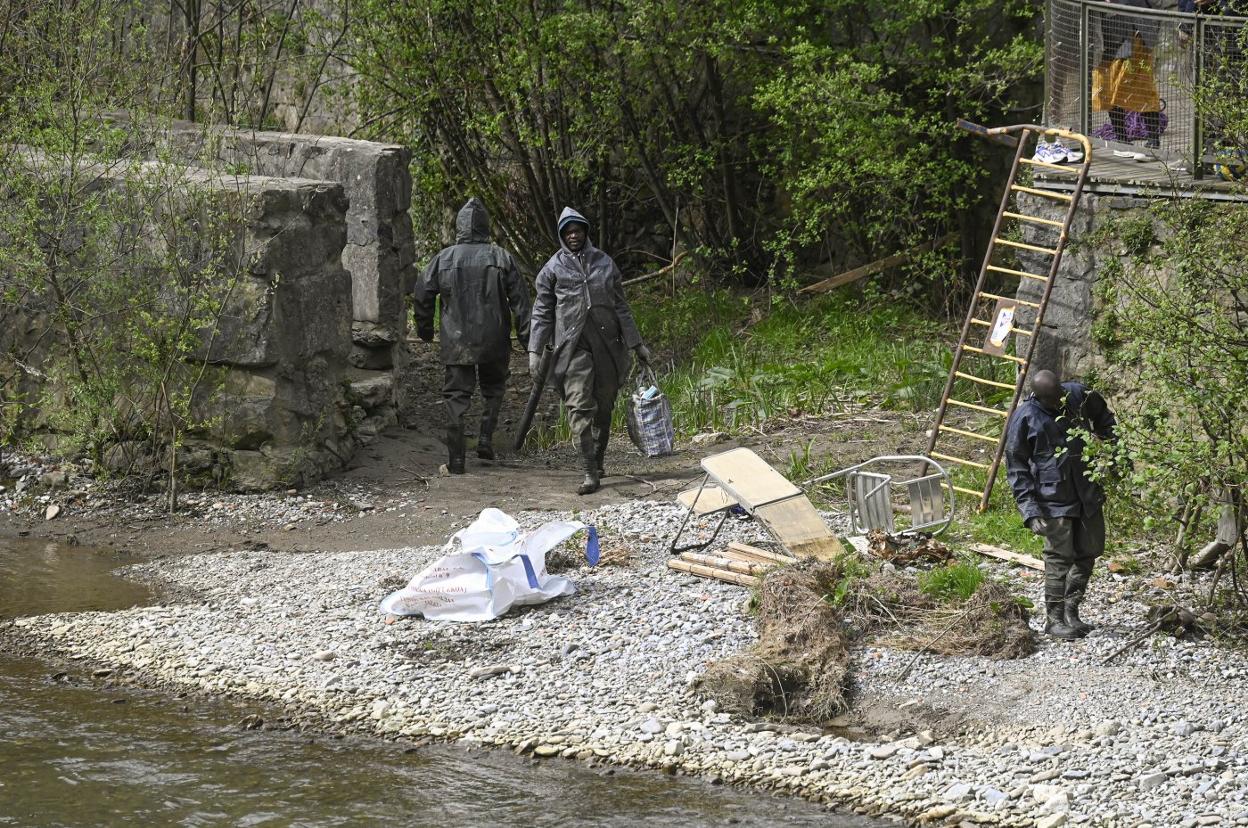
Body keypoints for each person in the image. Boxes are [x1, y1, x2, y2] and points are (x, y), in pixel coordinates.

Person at [528, 207, 652, 495]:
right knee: (579, 404)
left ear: (585, 232)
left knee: (604, 406)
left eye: (578, 230)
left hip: (608, 346)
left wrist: (637, 344)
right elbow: (541, 312)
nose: (573, 235)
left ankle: (597, 459)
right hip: (572, 349)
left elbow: (621, 307)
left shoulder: (605, 263)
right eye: (568, 232)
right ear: (562, 235)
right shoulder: (552, 269)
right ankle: (588, 471)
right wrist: (534, 351)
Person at [413, 197, 530, 474]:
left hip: (457, 342)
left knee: (456, 397)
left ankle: (456, 460)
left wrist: (425, 330)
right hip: (494, 339)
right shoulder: (501, 257)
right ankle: (485, 438)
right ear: (485, 226)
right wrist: (527, 340)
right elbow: (521, 302)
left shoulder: (443, 259)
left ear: (460, 226)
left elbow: (422, 294)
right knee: (494, 388)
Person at [1004, 370, 1118, 641]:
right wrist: (1030, 511)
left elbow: (1105, 419)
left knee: (1089, 551)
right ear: (1038, 397)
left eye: (1061, 396)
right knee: (1058, 557)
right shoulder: (1025, 417)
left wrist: (1115, 454)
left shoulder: (1078, 395)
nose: (1059, 403)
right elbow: (1016, 467)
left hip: (1087, 491)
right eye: (1053, 400)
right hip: (1052, 499)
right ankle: (1054, 620)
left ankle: (1071, 611)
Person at [1093, 0, 1163, 149]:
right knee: (1110, 86)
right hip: (1110, 33)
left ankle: (1153, 140)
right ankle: (1121, 139)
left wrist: (1152, 25)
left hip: (1138, 33)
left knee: (1143, 86)